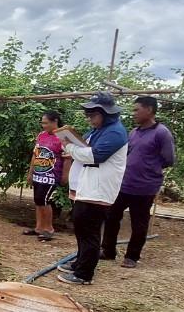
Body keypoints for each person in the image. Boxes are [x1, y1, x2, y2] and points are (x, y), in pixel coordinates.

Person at [55, 93, 129, 286]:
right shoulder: (99, 130)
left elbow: (95, 156)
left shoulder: (115, 132)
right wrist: (73, 148)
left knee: (89, 232)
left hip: (98, 191)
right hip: (88, 189)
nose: (89, 119)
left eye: (92, 115)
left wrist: (70, 148)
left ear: (105, 113)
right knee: (81, 227)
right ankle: (80, 262)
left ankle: (84, 274)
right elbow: (85, 149)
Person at [101, 95, 176, 268]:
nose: (134, 113)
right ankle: (108, 251)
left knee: (139, 222)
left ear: (149, 110)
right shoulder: (134, 132)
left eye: (137, 109)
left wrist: (149, 169)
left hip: (145, 187)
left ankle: (132, 257)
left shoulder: (162, 133)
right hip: (124, 183)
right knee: (112, 217)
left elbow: (169, 159)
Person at [24, 110, 64, 240]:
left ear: (55, 122)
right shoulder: (41, 135)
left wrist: (65, 175)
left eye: (46, 123)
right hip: (38, 173)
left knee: (44, 200)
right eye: (42, 123)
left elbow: (68, 157)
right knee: (37, 200)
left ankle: (49, 229)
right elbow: (35, 154)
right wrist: (30, 173)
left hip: (51, 175)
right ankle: (39, 228)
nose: (43, 126)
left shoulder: (63, 137)